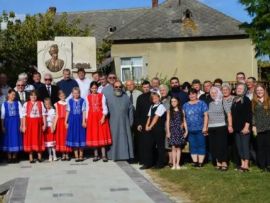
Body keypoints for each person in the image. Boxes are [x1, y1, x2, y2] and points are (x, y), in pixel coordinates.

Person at [106, 81, 134, 161]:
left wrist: (130, 123)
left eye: (119, 87)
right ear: (113, 87)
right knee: (114, 139)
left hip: (125, 123)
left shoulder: (126, 97)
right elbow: (105, 111)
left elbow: (130, 110)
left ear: (122, 88)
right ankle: (113, 155)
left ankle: (126, 156)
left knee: (125, 140)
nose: (118, 88)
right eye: (116, 87)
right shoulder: (108, 98)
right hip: (113, 123)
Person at [208, 87, 233, 171]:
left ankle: (224, 162)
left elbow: (229, 114)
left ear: (218, 93)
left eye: (215, 92)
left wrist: (230, 125)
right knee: (214, 146)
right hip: (211, 127)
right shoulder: (210, 103)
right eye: (211, 93)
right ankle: (218, 162)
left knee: (222, 146)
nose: (213, 94)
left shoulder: (223, 101)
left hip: (221, 127)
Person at [85, 81, 112, 162]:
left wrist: (104, 116)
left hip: (100, 117)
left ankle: (104, 155)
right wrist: (86, 120)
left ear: (97, 88)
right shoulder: (87, 97)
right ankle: (96, 155)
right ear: (90, 88)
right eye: (92, 88)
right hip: (91, 118)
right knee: (94, 136)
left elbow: (105, 107)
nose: (94, 89)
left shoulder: (102, 95)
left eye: (95, 88)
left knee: (101, 135)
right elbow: (87, 109)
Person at [183, 88, 208, 167]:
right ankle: (195, 162)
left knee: (201, 145)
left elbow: (206, 116)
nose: (192, 95)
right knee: (192, 145)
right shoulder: (185, 105)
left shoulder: (202, 103)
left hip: (200, 128)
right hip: (190, 130)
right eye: (190, 94)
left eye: (193, 94)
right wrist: (186, 129)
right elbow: (183, 118)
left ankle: (200, 163)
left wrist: (205, 127)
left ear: (196, 94)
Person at [231, 83, 252, 172]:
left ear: (244, 90)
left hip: (244, 128)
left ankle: (246, 165)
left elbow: (249, 114)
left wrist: (246, 127)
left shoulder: (246, 100)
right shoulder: (235, 99)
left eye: (241, 88)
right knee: (239, 147)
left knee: (245, 146)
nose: (239, 89)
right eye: (238, 88)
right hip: (236, 128)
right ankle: (242, 164)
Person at [143, 92, 167, 169]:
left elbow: (156, 118)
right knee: (149, 146)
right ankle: (148, 163)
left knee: (160, 147)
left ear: (159, 98)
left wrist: (150, 126)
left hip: (159, 129)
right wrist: (147, 126)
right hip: (151, 129)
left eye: (156, 98)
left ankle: (160, 164)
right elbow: (149, 117)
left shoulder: (161, 106)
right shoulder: (152, 106)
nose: (155, 99)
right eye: (153, 98)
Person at [22, 90, 46, 163]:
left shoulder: (40, 103)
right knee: (30, 139)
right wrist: (24, 126)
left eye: (35, 95)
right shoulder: (26, 104)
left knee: (38, 139)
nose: (33, 97)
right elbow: (24, 116)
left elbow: (43, 114)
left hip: (38, 124)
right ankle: (31, 157)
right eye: (32, 95)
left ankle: (39, 157)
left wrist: (44, 124)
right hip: (29, 124)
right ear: (29, 96)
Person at [1, 89, 23, 163]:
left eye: (14, 95)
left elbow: (21, 115)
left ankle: (14, 157)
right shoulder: (4, 104)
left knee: (16, 138)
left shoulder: (18, 103)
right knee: (8, 139)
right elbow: (2, 116)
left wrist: (21, 125)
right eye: (12, 94)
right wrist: (2, 126)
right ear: (8, 94)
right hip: (8, 124)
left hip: (16, 123)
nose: (14, 96)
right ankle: (9, 157)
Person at [166, 97, 188, 170]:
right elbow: (167, 122)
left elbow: (184, 121)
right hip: (172, 131)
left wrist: (186, 130)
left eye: (174, 101)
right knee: (173, 148)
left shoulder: (182, 110)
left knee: (178, 148)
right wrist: (168, 132)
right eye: (172, 101)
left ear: (178, 102)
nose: (173, 103)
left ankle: (178, 164)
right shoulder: (169, 111)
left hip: (179, 131)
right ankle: (174, 164)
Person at [252, 84, 270, 171]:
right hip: (258, 128)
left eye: (261, 90)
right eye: (257, 90)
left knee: (268, 146)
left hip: (268, 127)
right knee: (260, 147)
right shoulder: (253, 101)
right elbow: (252, 115)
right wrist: (254, 125)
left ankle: (268, 164)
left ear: (264, 91)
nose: (259, 92)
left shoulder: (269, 100)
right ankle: (262, 165)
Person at [65, 87, 86, 162]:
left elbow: (84, 111)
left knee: (81, 137)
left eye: (77, 93)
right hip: (72, 121)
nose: (76, 94)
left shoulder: (83, 100)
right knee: (74, 137)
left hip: (80, 120)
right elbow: (67, 111)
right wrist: (66, 121)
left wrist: (83, 121)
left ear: (79, 93)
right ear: (72, 94)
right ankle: (76, 156)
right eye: (74, 93)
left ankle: (81, 155)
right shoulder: (70, 101)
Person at [135, 81, 152, 165]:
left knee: (150, 144)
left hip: (152, 123)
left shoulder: (153, 96)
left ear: (150, 87)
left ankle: (150, 161)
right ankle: (142, 160)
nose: (146, 88)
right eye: (144, 87)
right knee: (142, 144)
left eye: (147, 87)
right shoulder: (140, 98)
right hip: (142, 123)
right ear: (142, 88)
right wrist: (138, 124)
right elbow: (137, 112)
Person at [54, 90, 72, 161]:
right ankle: (63, 154)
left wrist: (68, 122)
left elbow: (69, 114)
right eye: (61, 96)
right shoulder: (56, 104)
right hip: (60, 123)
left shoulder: (67, 103)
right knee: (61, 138)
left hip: (66, 122)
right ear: (58, 96)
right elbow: (57, 115)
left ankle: (67, 154)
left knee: (66, 137)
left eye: (63, 95)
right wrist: (54, 125)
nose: (62, 97)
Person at [159, 84, 172, 166]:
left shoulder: (170, 99)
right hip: (160, 124)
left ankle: (170, 161)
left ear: (167, 91)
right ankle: (164, 160)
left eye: (163, 90)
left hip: (168, 123)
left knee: (168, 143)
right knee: (162, 143)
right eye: (161, 90)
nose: (162, 92)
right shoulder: (159, 99)